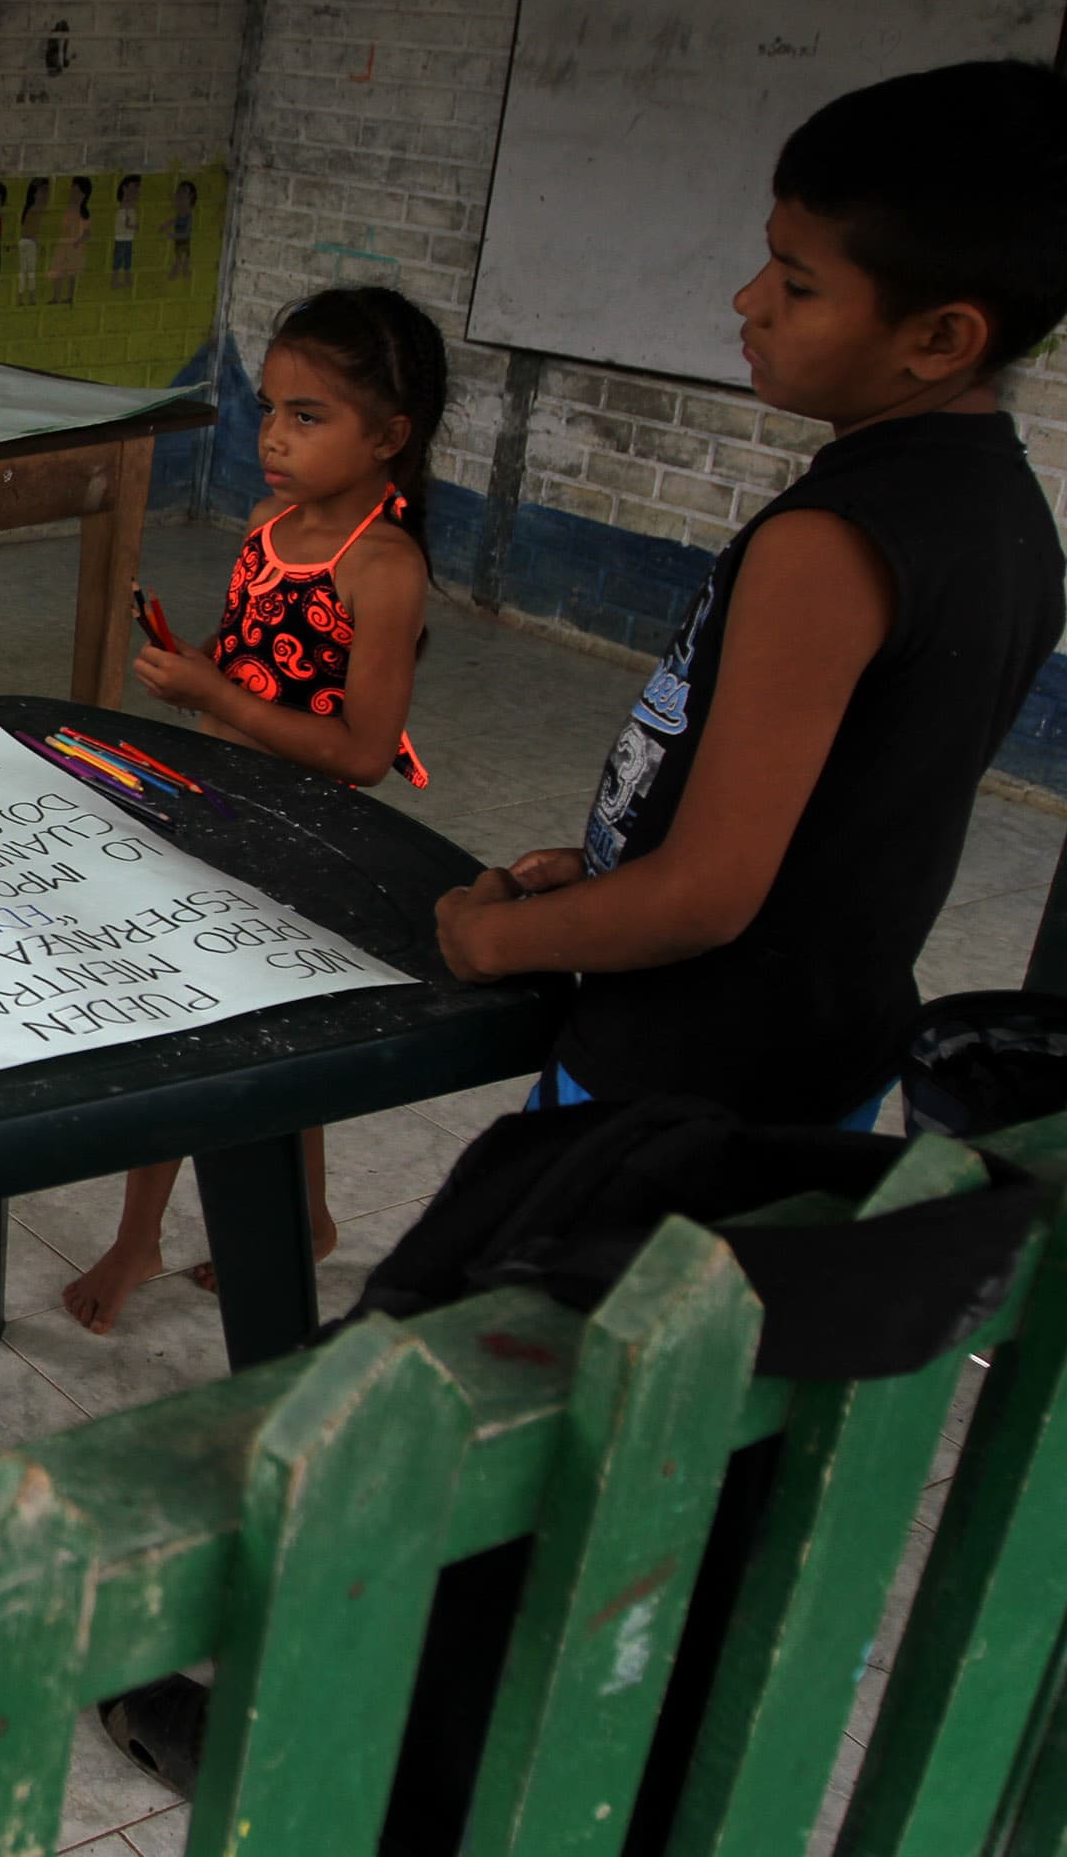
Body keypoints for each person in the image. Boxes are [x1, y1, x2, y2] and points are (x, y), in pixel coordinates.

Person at [437, 59, 1067, 1134]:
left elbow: (705, 894)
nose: (750, 301)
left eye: (798, 284)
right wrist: (610, 880)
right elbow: (848, 816)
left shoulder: (826, 547)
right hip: (823, 1047)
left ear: (940, 338)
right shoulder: (1008, 517)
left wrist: (490, 939)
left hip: (677, 1079)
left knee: (551, 1245)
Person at [61, 286, 443, 1335]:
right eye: (270, 410)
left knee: (230, 1039)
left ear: (389, 437)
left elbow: (363, 753)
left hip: (305, 839)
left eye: (307, 416)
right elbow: (244, 659)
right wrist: (190, 668)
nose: (273, 437)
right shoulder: (271, 525)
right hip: (217, 810)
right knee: (210, 1028)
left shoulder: (385, 568)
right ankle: (268, 1220)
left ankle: (188, 1232)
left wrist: (217, 697)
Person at [51, 176, 91, 307]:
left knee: (72, 274)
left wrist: (77, 242)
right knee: (58, 271)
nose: (74, 194)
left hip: (74, 247)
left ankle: (70, 298)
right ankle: (56, 297)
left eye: (77, 191)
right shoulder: (68, 209)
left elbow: (87, 233)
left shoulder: (83, 213)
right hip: (64, 244)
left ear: (84, 194)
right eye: (73, 191)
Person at [15, 177, 48, 307]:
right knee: (29, 273)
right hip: (29, 243)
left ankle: (24, 297)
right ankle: (28, 297)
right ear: (35, 193)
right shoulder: (34, 211)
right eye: (43, 191)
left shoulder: (33, 210)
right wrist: (36, 242)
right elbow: (29, 231)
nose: (46, 195)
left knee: (26, 272)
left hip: (27, 243)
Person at [111, 173, 141, 288]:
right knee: (119, 260)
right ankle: (115, 281)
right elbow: (125, 225)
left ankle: (127, 280)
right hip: (122, 239)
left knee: (127, 261)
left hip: (128, 238)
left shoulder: (130, 208)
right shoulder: (124, 209)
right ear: (124, 188)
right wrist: (134, 227)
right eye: (134, 189)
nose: (136, 193)